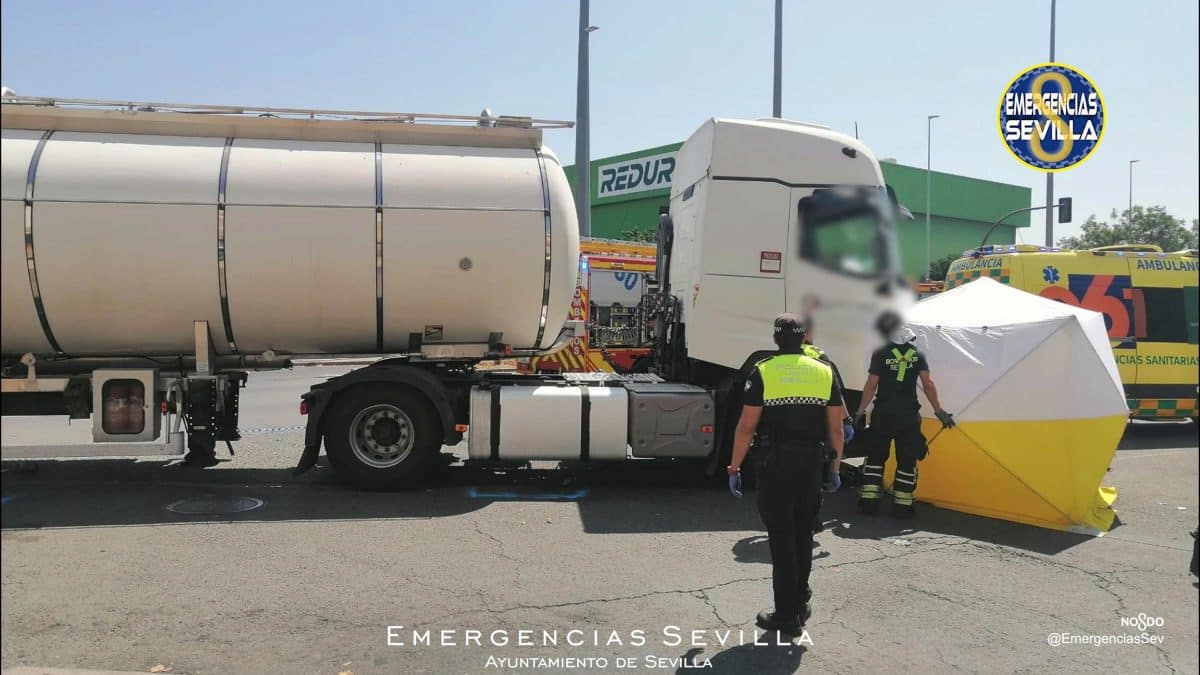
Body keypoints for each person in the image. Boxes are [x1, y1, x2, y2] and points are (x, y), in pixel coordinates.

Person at [727, 313, 845, 635]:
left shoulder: (763, 371)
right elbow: (836, 428)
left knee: (781, 539)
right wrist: (834, 468)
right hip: (811, 466)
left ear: (776, 339)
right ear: (804, 336)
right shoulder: (824, 371)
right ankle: (801, 598)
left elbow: (747, 427)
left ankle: (786, 614)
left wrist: (734, 467)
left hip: (774, 466)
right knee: (804, 533)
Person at [853, 311, 955, 518]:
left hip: (882, 414)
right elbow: (927, 384)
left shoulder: (880, 352)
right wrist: (939, 411)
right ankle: (902, 506)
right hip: (908, 416)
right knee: (907, 460)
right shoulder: (917, 354)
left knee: (875, 457)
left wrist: (859, 412)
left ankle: (869, 503)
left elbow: (871, 385)